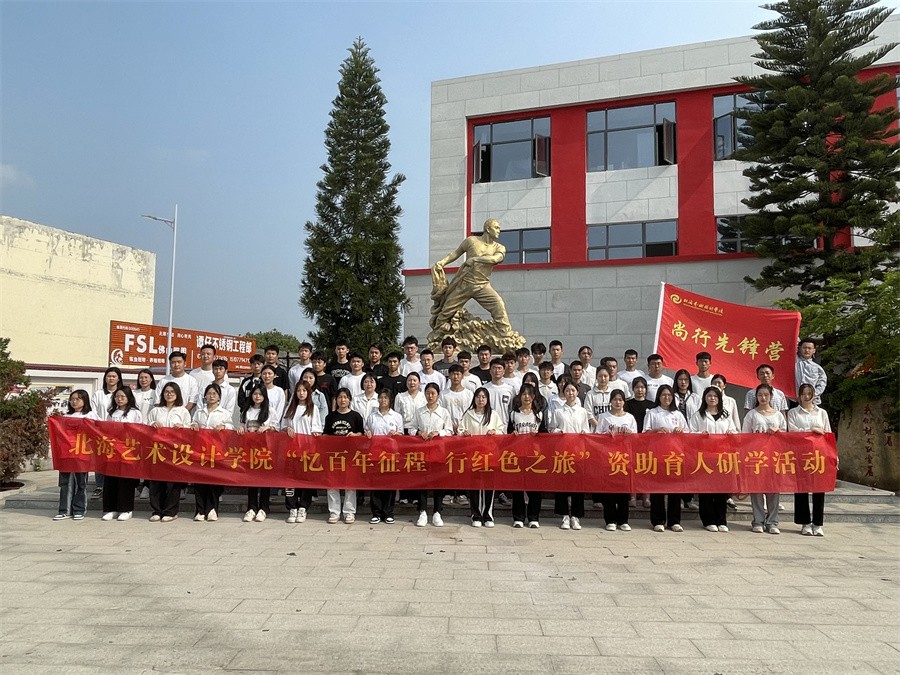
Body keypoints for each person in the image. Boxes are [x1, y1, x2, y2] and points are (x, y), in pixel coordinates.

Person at [429, 218, 515, 342]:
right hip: (464, 283)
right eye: (496, 228)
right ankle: (438, 335)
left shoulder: (499, 247)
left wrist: (475, 259)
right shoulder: (471, 241)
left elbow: (495, 259)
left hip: (482, 285)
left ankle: (505, 335)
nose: (499, 231)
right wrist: (442, 262)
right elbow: (455, 253)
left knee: (498, 305)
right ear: (488, 229)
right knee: (446, 309)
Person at [689, 387, 739, 532]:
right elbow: (690, 433)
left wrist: (731, 433)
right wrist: (700, 434)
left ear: (719, 399)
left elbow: (734, 431)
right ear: (704, 398)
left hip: (722, 457)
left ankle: (721, 520)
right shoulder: (698, 415)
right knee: (706, 490)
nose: (712, 398)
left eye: (715, 396)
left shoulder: (725, 415)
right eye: (709, 396)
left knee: (721, 490)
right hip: (705, 457)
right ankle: (708, 520)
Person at [789, 383, 833, 536]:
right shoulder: (793, 413)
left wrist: (833, 456)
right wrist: (812, 431)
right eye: (803, 394)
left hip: (819, 455)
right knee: (801, 489)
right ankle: (805, 523)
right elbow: (792, 432)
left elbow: (828, 434)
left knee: (819, 489)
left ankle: (818, 523)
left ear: (814, 396)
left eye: (809, 394)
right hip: (800, 455)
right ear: (799, 396)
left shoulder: (822, 413)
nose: (806, 397)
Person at [743, 383, 787, 534]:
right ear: (756, 397)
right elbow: (745, 436)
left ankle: (772, 522)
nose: (763, 398)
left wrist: (778, 431)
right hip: (757, 456)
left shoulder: (778, 415)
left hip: (774, 456)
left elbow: (786, 436)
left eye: (766, 395)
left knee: (773, 489)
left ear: (771, 397)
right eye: (760, 395)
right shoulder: (751, 414)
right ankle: (758, 520)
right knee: (756, 489)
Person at [644, 385, 688, 532]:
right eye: (663, 395)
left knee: (675, 490)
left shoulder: (678, 414)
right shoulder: (652, 413)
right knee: (657, 489)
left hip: (675, 456)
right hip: (657, 455)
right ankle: (658, 520)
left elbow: (688, 434)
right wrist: (656, 431)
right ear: (659, 397)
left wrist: (681, 431)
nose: (666, 398)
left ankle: (674, 521)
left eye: (669, 395)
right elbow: (644, 434)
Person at [146, 382, 192, 522]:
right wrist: (152, 425)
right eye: (166, 392)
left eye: (172, 392)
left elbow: (189, 430)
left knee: (173, 483)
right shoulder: (155, 411)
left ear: (177, 394)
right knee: (156, 482)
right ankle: (157, 510)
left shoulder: (183, 411)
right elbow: (145, 427)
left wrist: (182, 427)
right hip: (158, 450)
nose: (169, 394)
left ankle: (171, 511)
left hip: (175, 452)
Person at [458, 387, 504, 527]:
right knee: (475, 485)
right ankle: (476, 515)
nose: (481, 399)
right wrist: (464, 433)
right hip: (474, 455)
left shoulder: (493, 415)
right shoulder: (468, 414)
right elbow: (460, 430)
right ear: (474, 399)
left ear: (487, 399)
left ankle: (488, 515)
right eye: (478, 397)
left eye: (484, 397)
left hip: (489, 455)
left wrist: (494, 432)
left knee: (489, 485)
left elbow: (502, 431)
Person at [410, 383, 453, 527]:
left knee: (438, 482)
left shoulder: (444, 412)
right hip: (422, 451)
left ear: (438, 395)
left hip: (439, 451)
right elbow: (411, 428)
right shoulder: (419, 411)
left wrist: (438, 433)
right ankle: (422, 511)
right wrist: (419, 432)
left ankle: (437, 512)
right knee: (422, 481)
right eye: (428, 393)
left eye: (433, 393)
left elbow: (450, 431)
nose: (430, 396)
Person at [281, 381, 323, 524]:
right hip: (292, 450)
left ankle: (303, 507)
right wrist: (287, 429)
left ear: (308, 392)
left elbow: (317, 428)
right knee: (290, 480)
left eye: (304, 390)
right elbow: (283, 425)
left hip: (307, 450)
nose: (301, 393)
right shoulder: (290, 407)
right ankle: (292, 507)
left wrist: (315, 436)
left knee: (306, 480)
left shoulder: (313, 408)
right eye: (299, 390)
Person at [190, 383, 233, 521]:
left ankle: (212, 509)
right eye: (209, 393)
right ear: (205, 396)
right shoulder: (199, 412)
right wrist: (194, 425)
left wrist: (224, 426)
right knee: (199, 480)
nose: (211, 396)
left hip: (216, 451)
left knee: (214, 480)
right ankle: (200, 510)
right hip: (200, 451)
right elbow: (192, 424)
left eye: (214, 393)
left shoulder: (224, 413)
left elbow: (231, 427)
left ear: (219, 397)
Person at [595, 390, 637, 532]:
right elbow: (596, 436)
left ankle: (623, 520)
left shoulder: (630, 418)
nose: (617, 402)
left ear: (624, 402)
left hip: (624, 458)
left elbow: (636, 438)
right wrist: (606, 435)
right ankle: (610, 520)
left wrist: (630, 434)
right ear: (610, 401)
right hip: (608, 457)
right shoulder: (604, 417)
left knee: (623, 489)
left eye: (620, 399)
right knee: (609, 490)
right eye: (615, 399)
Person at [100, 386, 143, 522]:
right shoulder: (111, 413)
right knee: (111, 480)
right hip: (113, 451)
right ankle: (110, 509)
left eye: (122, 396)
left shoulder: (135, 413)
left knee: (125, 481)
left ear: (129, 397)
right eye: (117, 396)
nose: (119, 399)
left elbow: (139, 431)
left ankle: (126, 509)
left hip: (128, 451)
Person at [237, 383, 278, 522]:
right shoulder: (247, 410)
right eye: (255, 394)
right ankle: (252, 508)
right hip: (250, 450)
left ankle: (264, 508)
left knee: (265, 479)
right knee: (251, 479)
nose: (257, 397)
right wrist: (240, 428)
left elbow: (276, 427)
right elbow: (242, 425)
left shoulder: (270, 411)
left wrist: (268, 428)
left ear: (264, 396)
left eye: (260, 394)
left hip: (265, 449)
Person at [551, 382, 590, 530]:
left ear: (577, 392)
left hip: (578, 452)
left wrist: (584, 433)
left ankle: (575, 516)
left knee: (577, 484)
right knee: (562, 484)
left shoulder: (582, 411)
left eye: (573, 390)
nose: (570, 393)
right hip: (562, 452)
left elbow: (586, 429)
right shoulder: (558, 411)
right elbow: (552, 428)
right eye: (567, 390)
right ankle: (564, 516)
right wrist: (558, 432)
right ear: (564, 392)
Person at [53, 390, 97, 521]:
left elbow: (98, 430)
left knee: (80, 483)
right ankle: (64, 510)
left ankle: (79, 509)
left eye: (78, 399)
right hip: (66, 453)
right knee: (65, 483)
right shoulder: (65, 416)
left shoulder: (90, 415)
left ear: (85, 400)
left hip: (82, 454)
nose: (74, 401)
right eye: (72, 399)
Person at [323, 388, 365, 524]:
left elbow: (362, 434)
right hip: (333, 455)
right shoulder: (330, 417)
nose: (342, 400)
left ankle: (349, 512)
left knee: (350, 484)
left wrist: (355, 435)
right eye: (340, 397)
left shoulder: (356, 416)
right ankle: (334, 512)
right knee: (332, 484)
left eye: (345, 397)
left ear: (349, 400)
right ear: (336, 400)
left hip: (350, 455)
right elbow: (326, 434)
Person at [509, 383, 545, 528]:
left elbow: (545, 435)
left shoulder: (539, 415)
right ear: (520, 396)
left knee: (535, 488)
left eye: (529, 394)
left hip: (534, 456)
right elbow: (508, 432)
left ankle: (533, 517)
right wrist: (512, 434)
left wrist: (538, 434)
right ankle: (518, 517)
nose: (526, 397)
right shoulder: (514, 414)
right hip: (518, 455)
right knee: (517, 487)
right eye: (524, 394)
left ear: (533, 396)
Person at [365, 389, 404, 524]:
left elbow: (401, 435)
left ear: (390, 400)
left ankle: (388, 512)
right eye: (381, 397)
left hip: (391, 454)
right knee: (375, 484)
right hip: (375, 454)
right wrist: (368, 434)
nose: (383, 400)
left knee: (389, 484)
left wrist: (396, 434)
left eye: (386, 398)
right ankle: (376, 513)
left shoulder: (396, 416)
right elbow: (367, 430)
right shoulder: (372, 416)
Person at [90, 366, 123, 498]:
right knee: (101, 458)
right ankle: (100, 486)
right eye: (109, 376)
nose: (111, 378)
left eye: (114, 376)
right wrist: (102, 426)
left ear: (118, 379)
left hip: (118, 433)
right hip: (101, 431)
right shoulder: (98, 394)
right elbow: (93, 412)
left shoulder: (122, 394)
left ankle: (115, 486)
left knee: (117, 459)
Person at [625, 376, 655, 509]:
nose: (640, 390)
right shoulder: (628, 404)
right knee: (632, 469)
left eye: (642, 387)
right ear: (633, 389)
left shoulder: (652, 405)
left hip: (647, 441)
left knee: (647, 468)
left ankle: (646, 497)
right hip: (632, 441)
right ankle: (632, 496)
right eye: (637, 387)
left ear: (646, 389)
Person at [795, 339, 827, 404]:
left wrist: (812, 395)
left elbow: (822, 384)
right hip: (795, 400)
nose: (807, 350)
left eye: (809, 348)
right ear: (799, 348)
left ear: (814, 350)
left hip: (813, 401)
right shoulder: (794, 363)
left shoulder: (818, 368)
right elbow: (794, 340)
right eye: (804, 348)